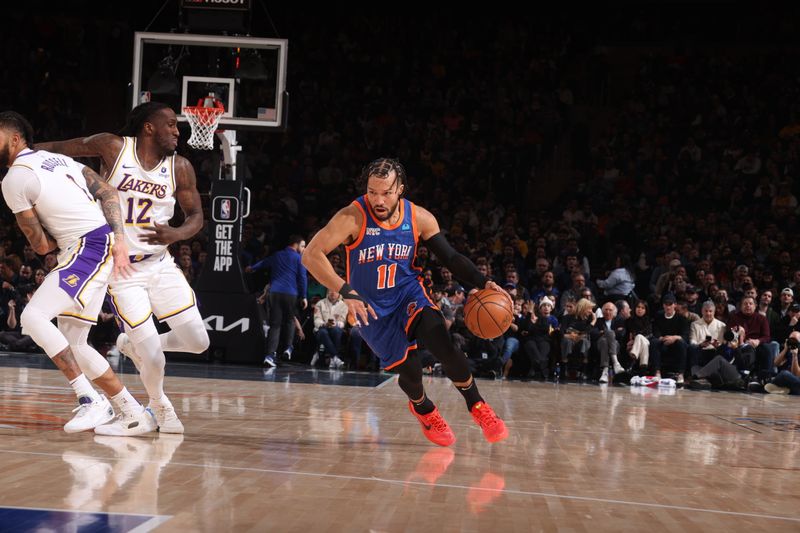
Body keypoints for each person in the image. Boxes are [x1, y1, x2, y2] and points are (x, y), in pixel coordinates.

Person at [302, 157, 507, 446]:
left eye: (386, 192)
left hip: (407, 293)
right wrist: (345, 290)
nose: (378, 200)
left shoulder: (419, 217)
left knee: (441, 341)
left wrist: (482, 282)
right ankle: (423, 408)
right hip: (370, 307)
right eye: (372, 192)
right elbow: (310, 255)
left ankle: (478, 406)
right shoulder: (353, 217)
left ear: (400, 189)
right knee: (410, 372)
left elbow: (450, 257)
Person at [37, 102, 210, 433]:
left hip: (161, 264)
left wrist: (176, 233)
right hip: (122, 270)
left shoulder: (181, 167)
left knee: (198, 341)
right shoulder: (113, 147)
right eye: (171, 124)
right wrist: (24, 155)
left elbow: (196, 216)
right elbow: (60, 149)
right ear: (148, 127)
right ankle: (158, 407)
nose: (177, 131)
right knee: (155, 358)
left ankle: (131, 346)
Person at [0, 111, 154, 435]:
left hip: (87, 246)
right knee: (77, 344)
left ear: (15, 138)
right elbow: (109, 193)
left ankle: (89, 400)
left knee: (33, 318)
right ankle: (132, 412)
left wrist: (50, 244)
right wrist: (120, 240)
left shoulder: (14, 178)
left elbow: (39, 245)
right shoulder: (56, 161)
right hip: (96, 243)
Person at [246, 234, 307, 367]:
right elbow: (302, 278)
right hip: (290, 293)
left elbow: (264, 263)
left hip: (274, 293)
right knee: (290, 320)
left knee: (275, 325)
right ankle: (288, 348)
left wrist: (252, 268)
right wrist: (304, 296)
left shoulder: (277, 255)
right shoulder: (299, 259)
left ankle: (269, 355)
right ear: (295, 245)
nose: (304, 249)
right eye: (303, 246)